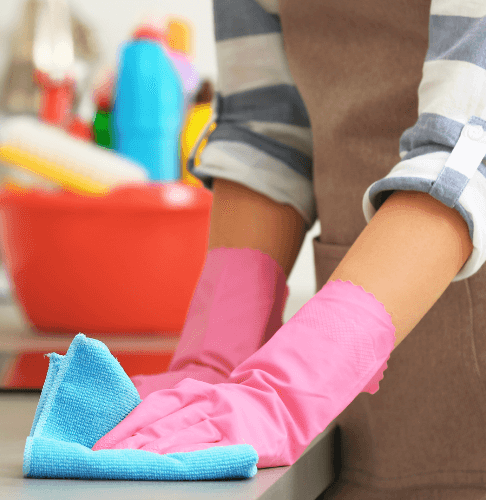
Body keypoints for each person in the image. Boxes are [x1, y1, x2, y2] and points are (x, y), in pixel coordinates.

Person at [93, 0, 486, 498]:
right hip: (362, 393)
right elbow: (265, 130)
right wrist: (214, 358)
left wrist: (284, 392)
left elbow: (470, 150)